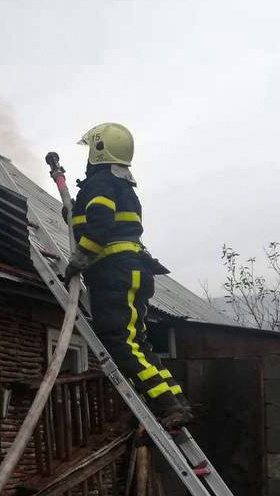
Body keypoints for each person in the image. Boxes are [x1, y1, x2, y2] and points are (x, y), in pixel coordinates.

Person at [64, 122, 193, 430]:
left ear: (98, 150)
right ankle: (175, 400)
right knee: (138, 342)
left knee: (118, 341)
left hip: (114, 273)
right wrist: (72, 215)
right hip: (133, 271)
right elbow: (105, 220)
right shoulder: (123, 187)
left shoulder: (99, 184)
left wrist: (81, 258)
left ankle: (166, 405)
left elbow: (100, 223)